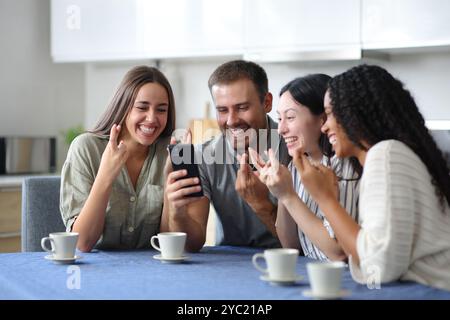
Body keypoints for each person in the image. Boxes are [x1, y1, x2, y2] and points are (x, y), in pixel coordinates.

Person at [294, 64, 450, 290]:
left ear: (354, 113)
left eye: (329, 114)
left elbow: (378, 267)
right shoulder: (390, 155)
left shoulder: (385, 155)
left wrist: (325, 199)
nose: (325, 126)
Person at [162, 60, 290, 252]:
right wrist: (177, 212)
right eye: (222, 110)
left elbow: (306, 245)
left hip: (287, 262)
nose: (231, 121)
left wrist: (261, 205)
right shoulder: (203, 156)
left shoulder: (294, 149)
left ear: (267, 103)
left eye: (242, 107)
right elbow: (192, 244)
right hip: (228, 266)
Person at [60, 66, 176, 252]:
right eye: (142, 107)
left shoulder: (170, 153)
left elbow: (170, 244)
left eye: (161, 110)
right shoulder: (86, 148)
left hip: (153, 271)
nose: (152, 118)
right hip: (97, 271)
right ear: (123, 106)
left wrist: (171, 195)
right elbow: (82, 243)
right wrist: (106, 175)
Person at [249, 74, 360, 261]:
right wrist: (283, 190)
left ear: (323, 119)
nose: (281, 129)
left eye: (290, 117)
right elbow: (291, 245)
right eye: (279, 118)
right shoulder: (295, 166)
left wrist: (288, 196)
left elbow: (338, 252)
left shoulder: (345, 165)